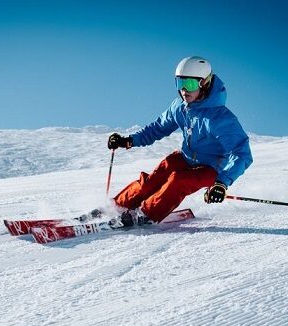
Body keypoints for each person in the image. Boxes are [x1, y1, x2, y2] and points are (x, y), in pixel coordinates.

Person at [107, 56, 253, 226]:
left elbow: (242, 154)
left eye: (190, 84)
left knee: (179, 180)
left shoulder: (220, 118)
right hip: (186, 157)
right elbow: (157, 128)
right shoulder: (180, 107)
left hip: (211, 168)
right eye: (179, 83)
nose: (184, 90)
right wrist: (128, 140)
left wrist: (222, 183)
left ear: (203, 83)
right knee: (154, 178)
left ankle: (145, 214)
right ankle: (118, 206)